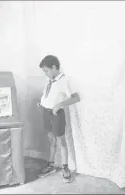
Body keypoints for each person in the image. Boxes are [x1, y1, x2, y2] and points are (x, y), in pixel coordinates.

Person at [37, 55, 80, 183]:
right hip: (45, 113)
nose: (45, 74)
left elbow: (76, 98)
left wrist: (60, 105)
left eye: (46, 70)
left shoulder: (65, 80)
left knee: (62, 141)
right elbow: (49, 95)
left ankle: (65, 168)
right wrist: (42, 103)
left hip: (56, 115)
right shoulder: (50, 80)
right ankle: (51, 165)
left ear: (54, 67)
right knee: (51, 139)